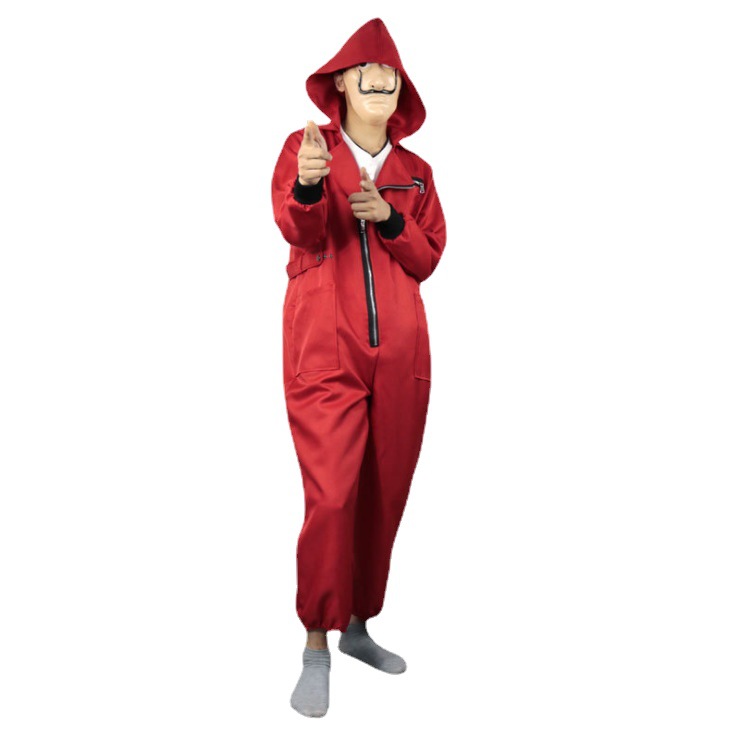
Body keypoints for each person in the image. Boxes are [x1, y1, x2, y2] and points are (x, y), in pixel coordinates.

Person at [271, 17, 447, 717]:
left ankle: (357, 625)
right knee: (332, 495)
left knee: (383, 490)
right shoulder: (306, 149)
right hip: (325, 347)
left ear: (399, 89)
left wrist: (391, 219)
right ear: (340, 85)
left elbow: (428, 259)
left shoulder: (417, 173)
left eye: (390, 73)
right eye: (364, 71)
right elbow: (298, 228)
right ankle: (315, 642)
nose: (379, 78)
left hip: (403, 354)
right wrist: (310, 187)